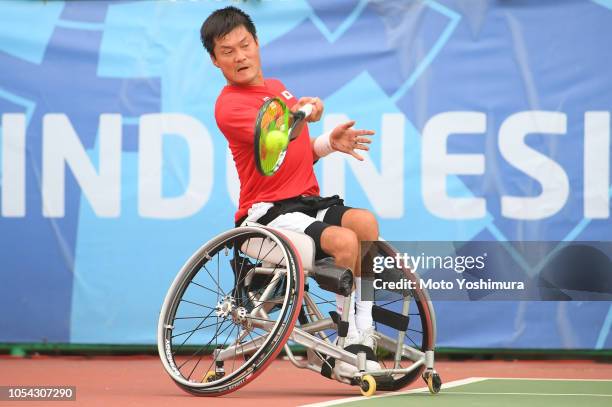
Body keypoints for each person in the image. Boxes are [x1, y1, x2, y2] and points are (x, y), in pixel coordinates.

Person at [201, 6, 380, 367]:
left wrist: (329, 142)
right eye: (227, 51)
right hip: (267, 214)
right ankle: (344, 344)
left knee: (365, 224)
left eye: (244, 44)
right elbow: (274, 137)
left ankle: (364, 326)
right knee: (344, 241)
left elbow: (293, 157)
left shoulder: (278, 89)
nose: (240, 56)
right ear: (215, 61)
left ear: (256, 43)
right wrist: (305, 112)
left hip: (305, 201)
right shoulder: (228, 106)